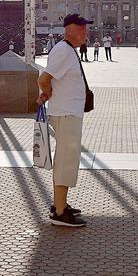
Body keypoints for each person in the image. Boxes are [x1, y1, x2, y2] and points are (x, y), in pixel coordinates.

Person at [39, 14, 93, 228]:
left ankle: (59, 204)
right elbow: (44, 79)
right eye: (80, 28)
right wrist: (48, 92)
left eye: (85, 28)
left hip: (68, 112)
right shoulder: (63, 50)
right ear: (68, 29)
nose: (84, 32)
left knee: (65, 159)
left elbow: (49, 80)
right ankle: (60, 213)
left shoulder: (67, 50)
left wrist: (48, 93)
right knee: (66, 161)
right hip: (66, 114)